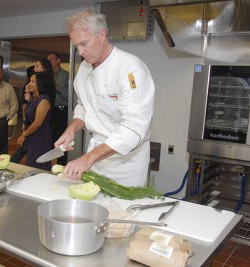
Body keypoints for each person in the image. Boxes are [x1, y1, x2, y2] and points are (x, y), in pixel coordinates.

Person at [56, 8, 155, 187]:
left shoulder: (130, 69)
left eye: (84, 44)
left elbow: (133, 128)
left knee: (121, 212)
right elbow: (83, 105)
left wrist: (88, 158)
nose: (80, 52)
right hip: (95, 155)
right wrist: (72, 129)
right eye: (76, 46)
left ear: (101, 34)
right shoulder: (85, 69)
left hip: (125, 162)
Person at [17, 72, 54, 171]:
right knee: (32, 163)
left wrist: (24, 135)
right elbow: (28, 115)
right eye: (29, 81)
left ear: (40, 83)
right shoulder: (34, 98)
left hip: (40, 136)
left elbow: (38, 123)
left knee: (39, 164)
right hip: (32, 135)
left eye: (33, 81)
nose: (29, 84)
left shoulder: (43, 100)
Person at [47, 52, 70, 165]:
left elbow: (71, 97)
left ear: (58, 61)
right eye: (48, 60)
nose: (49, 62)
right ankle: (46, 165)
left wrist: (57, 88)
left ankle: (61, 166)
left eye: (51, 59)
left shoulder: (67, 76)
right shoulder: (47, 76)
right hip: (49, 112)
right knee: (48, 140)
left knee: (61, 140)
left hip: (61, 112)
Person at [11, 65, 35, 163]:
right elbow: (24, 106)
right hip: (27, 120)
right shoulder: (28, 87)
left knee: (27, 146)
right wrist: (25, 122)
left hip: (28, 120)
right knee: (24, 146)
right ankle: (12, 163)